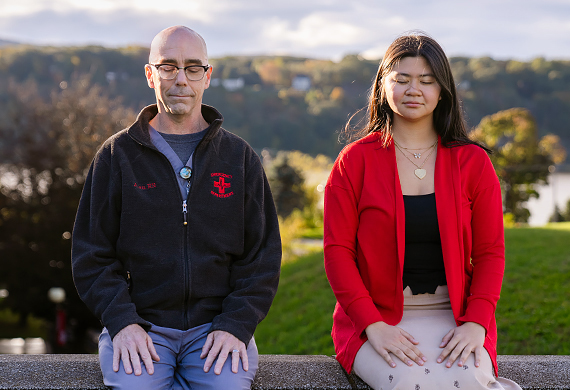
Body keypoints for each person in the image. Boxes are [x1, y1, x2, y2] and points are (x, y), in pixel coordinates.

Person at [71, 26, 281, 390]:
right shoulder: (116, 156)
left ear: (207, 76)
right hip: (143, 328)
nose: (180, 79)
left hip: (215, 331)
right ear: (151, 74)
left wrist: (236, 326)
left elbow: (261, 258)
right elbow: (91, 255)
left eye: (192, 67)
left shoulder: (239, 158)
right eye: (168, 67)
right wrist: (122, 323)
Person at [323, 32, 521, 389]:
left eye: (427, 81)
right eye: (401, 79)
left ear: (442, 90)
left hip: (456, 316)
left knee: (470, 381)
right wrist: (374, 326)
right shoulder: (354, 162)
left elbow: (490, 253)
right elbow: (337, 253)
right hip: (376, 320)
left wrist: (477, 322)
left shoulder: (473, 162)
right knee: (409, 381)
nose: (414, 89)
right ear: (383, 85)